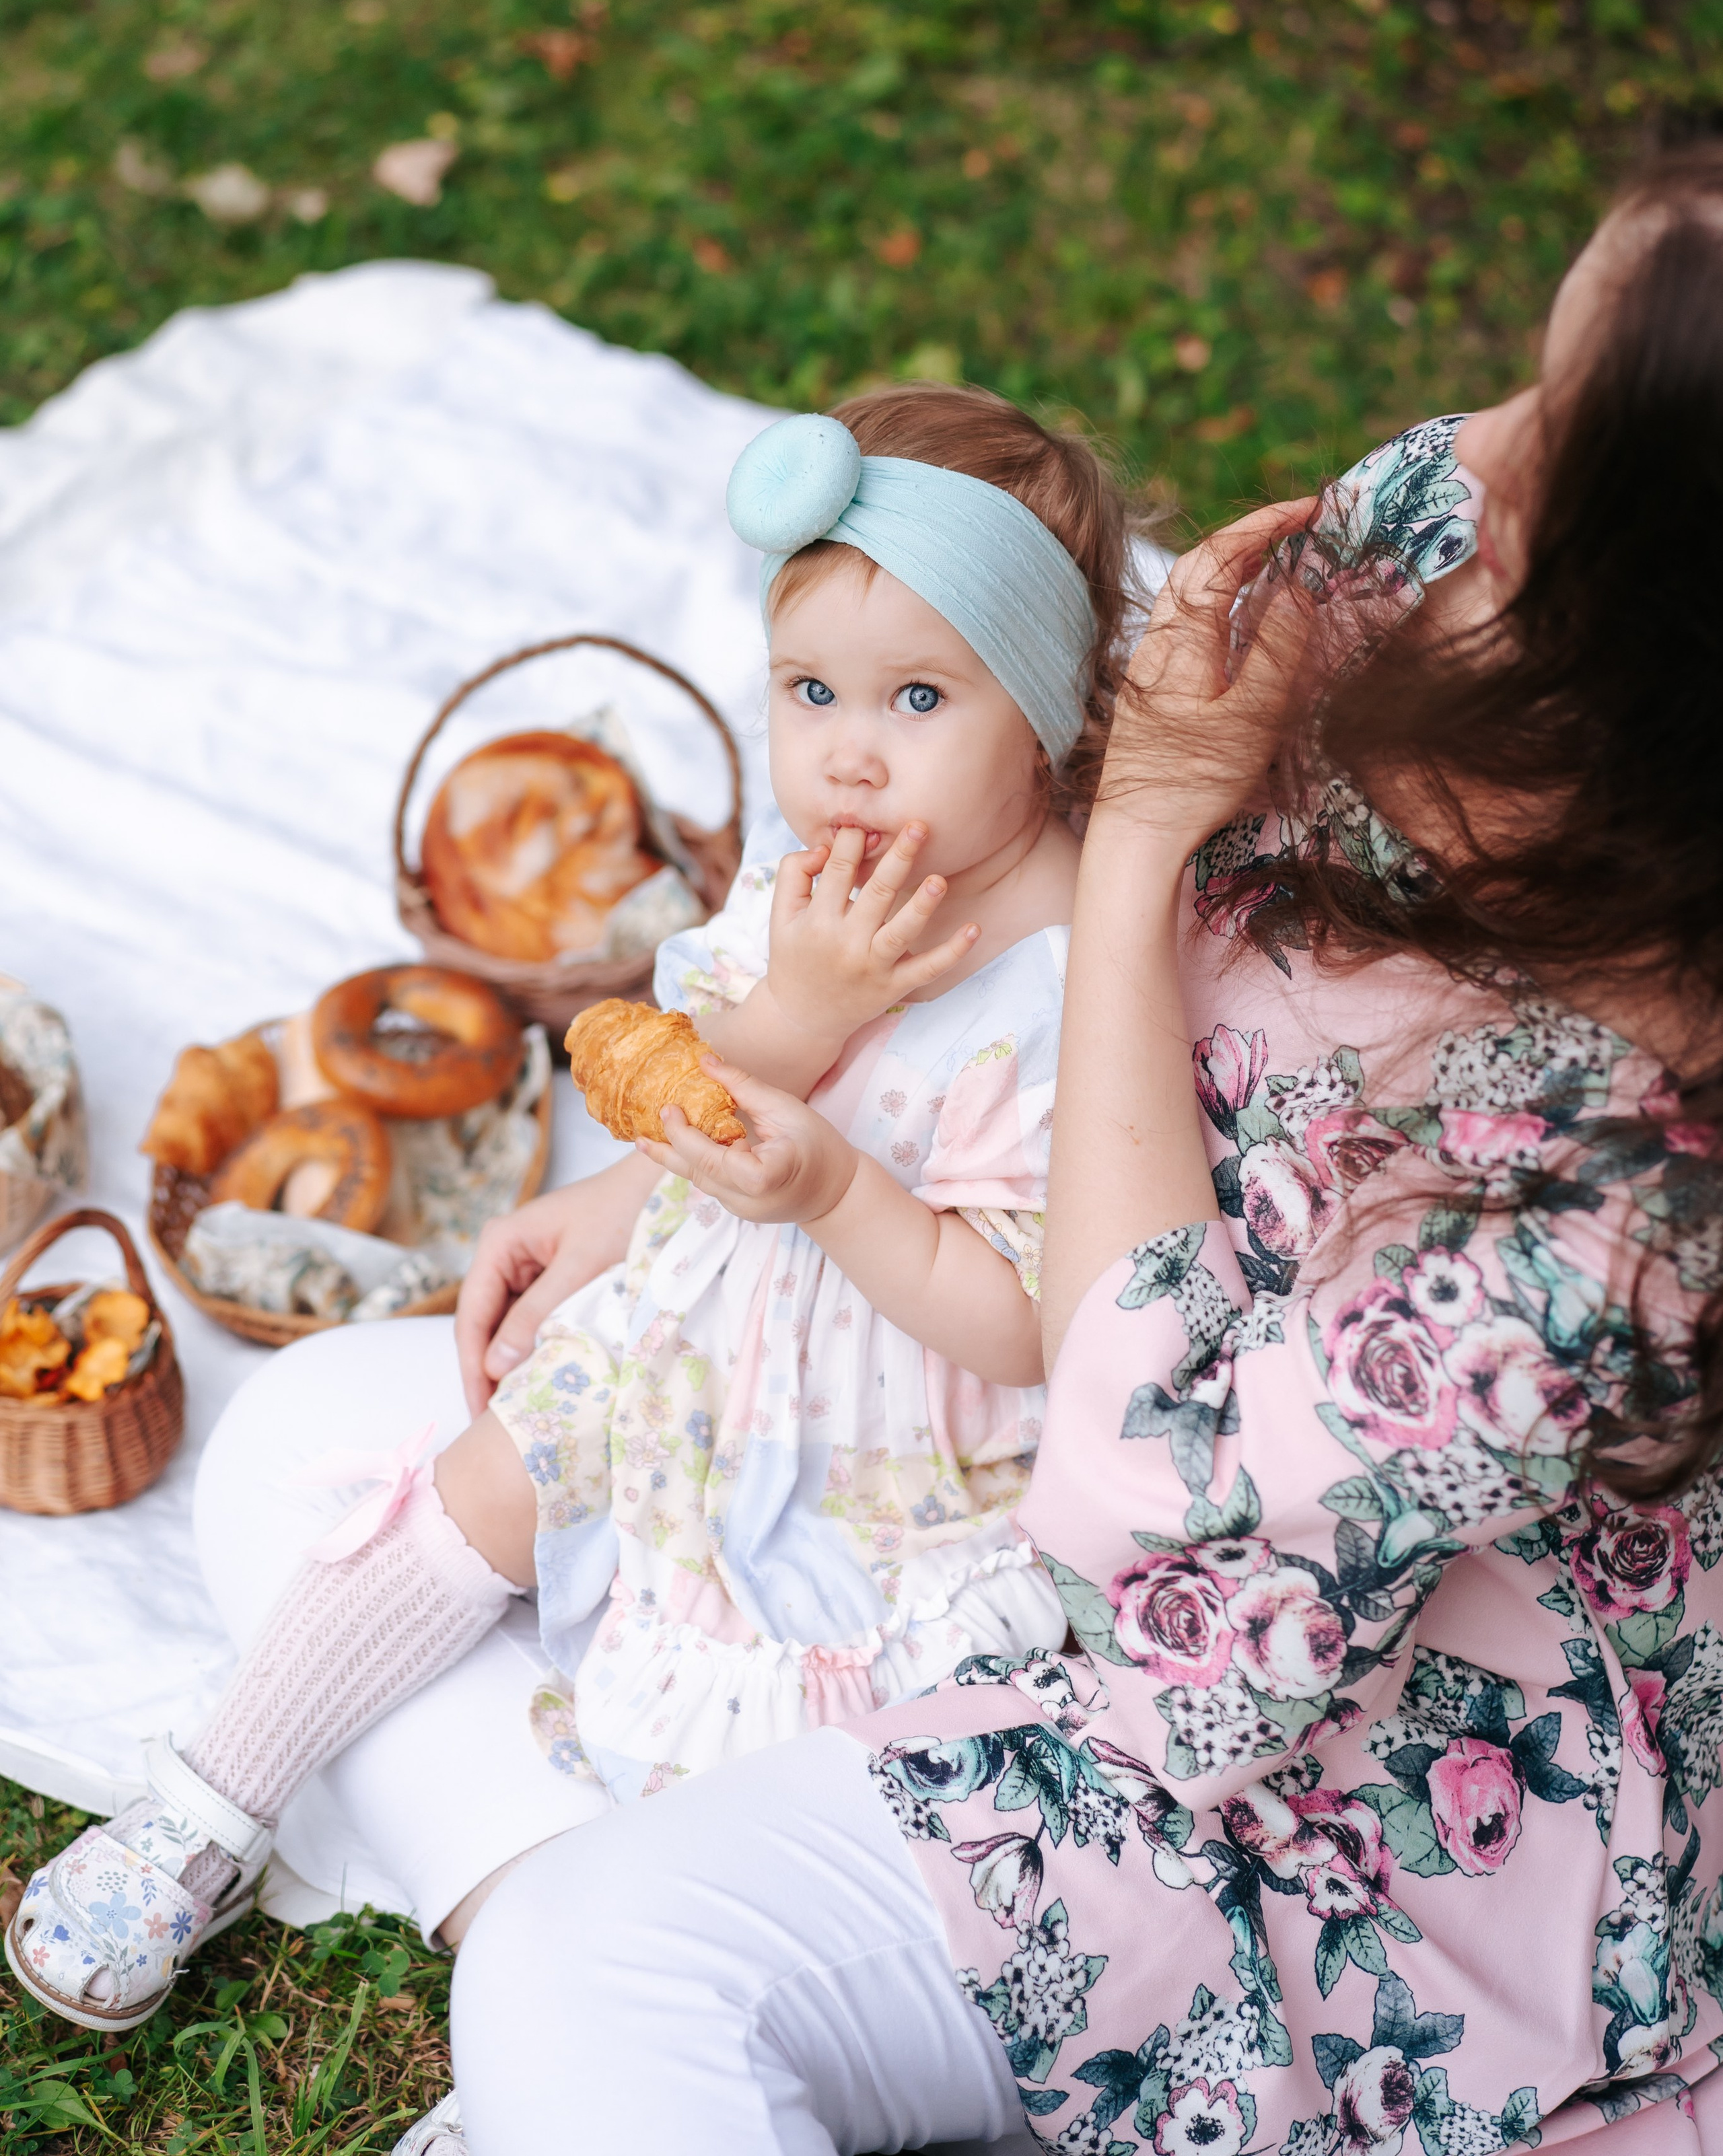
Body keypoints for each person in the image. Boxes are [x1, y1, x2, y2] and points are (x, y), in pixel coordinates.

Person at [439, 148, 1723, 2156]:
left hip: (1291, 1736)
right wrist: (647, 1182)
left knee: (577, 1970)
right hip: (943, 1346)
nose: (1471, 441)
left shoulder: (1612, 1215)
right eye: (1532, 370)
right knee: (383, 1459)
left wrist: (1134, 869)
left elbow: (1163, 1536)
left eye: (1554, 434)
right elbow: (1043, 747)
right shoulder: (1423, 535)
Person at [5, 382, 1138, 2040]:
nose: (844, 747)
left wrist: (828, 1184)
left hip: (904, 1433)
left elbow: (1031, 1322)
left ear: (1036, 711)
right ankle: (214, 1793)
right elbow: (717, 1080)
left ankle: (601, 2029)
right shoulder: (825, 868)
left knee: (787, 1737)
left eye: (916, 696)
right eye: (809, 687)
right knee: (482, 1473)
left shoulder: (1068, 968)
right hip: (711, 1319)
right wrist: (624, 1191)